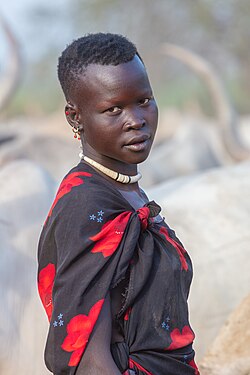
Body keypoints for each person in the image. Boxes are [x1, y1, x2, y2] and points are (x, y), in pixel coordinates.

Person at [37, 33, 200, 375]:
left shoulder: (126, 192)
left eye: (144, 100)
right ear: (74, 118)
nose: (136, 119)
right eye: (113, 109)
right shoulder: (86, 203)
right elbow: (88, 358)